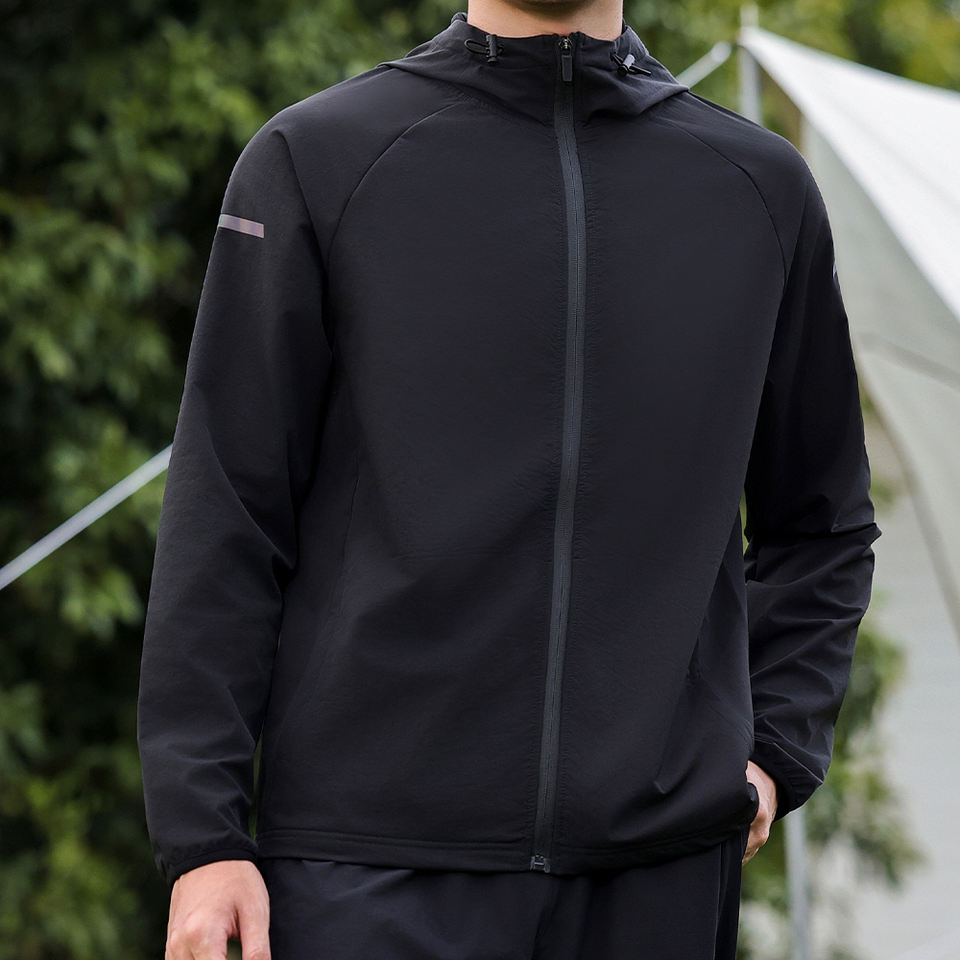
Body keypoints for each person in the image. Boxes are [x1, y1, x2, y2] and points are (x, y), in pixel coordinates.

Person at [137, 0, 881, 957]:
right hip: (365, 871)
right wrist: (204, 839)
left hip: (655, 878)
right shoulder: (319, 159)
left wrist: (774, 750)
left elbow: (822, 523)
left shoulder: (760, 189)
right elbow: (227, 513)